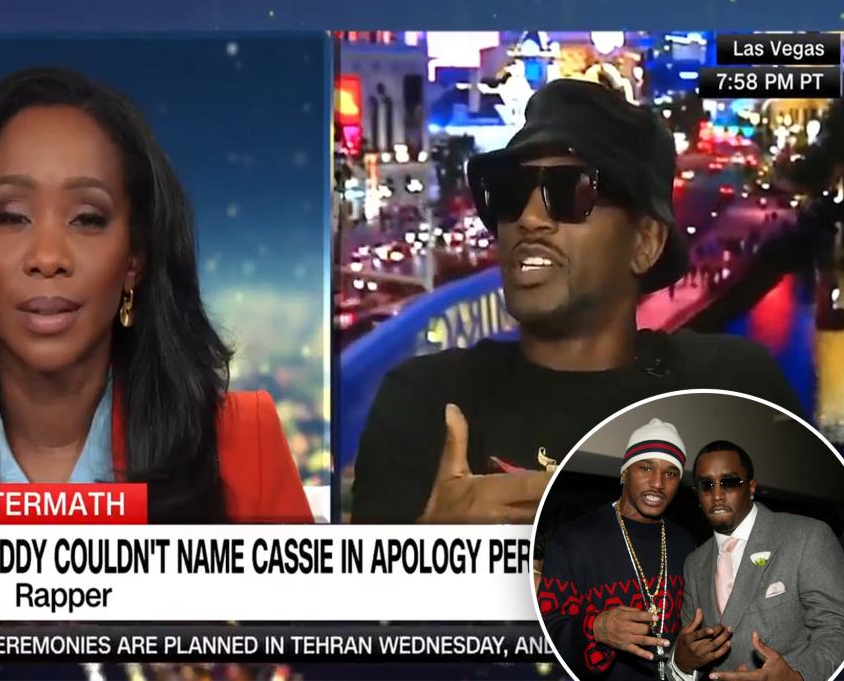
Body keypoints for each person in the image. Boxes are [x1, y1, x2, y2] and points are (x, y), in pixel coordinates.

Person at [0, 68, 312, 524]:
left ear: (133, 259)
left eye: (87, 218)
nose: (47, 257)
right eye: (13, 216)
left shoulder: (244, 449)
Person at [350, 78, 803, 524]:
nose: (529, 219)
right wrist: (437, 548)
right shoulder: (425, 405)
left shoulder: (735, 389)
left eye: (571, 191)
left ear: (645, 243)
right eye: (510, 191)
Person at [671, 441, 844, 681]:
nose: (717, 495)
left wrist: (798, 676)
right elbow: (690, 645)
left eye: (729, 482)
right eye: (706, 485)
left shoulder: (807, 536)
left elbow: (837, 628)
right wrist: (681, 663)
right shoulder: (694, 563)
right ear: (698, 496)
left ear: (751, 487)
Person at [538, 418, 696, 680]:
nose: (658, 483)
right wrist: (596, 629)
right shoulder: (573, 540)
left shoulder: (683, 542)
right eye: (646, 468)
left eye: (670, 473)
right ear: (624, 473)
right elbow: (545, 631)